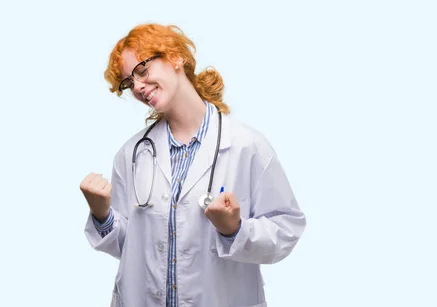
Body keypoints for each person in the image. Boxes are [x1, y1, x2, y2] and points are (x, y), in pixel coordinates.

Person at [80, 23, 306, 307]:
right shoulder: (132, 154)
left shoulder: (246, 146)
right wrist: (102, 215)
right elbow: (130, 248)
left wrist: (235, 230)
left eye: (142, 70)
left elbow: (287, 229)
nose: (137, 87)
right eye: (129, 82)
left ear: (175, 57)